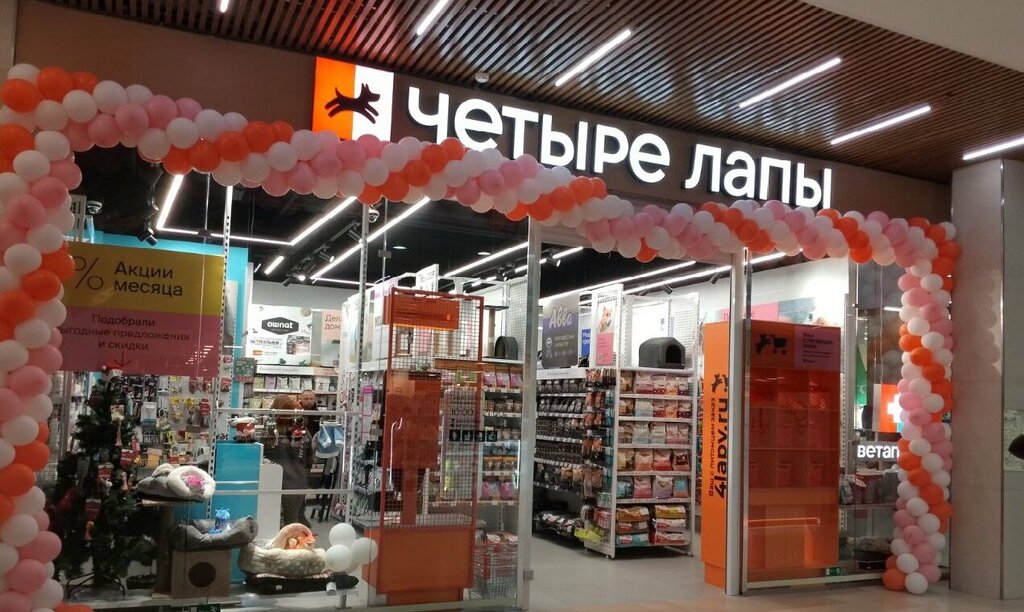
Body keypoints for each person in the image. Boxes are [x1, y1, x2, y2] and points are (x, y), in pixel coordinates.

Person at [263, 394, 312, 528]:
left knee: (269, 521)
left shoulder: (270, 429)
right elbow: (309, 457)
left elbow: (264, 452)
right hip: (296, 480)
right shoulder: (301, 429)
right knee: (291, 522)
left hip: (274, 480)